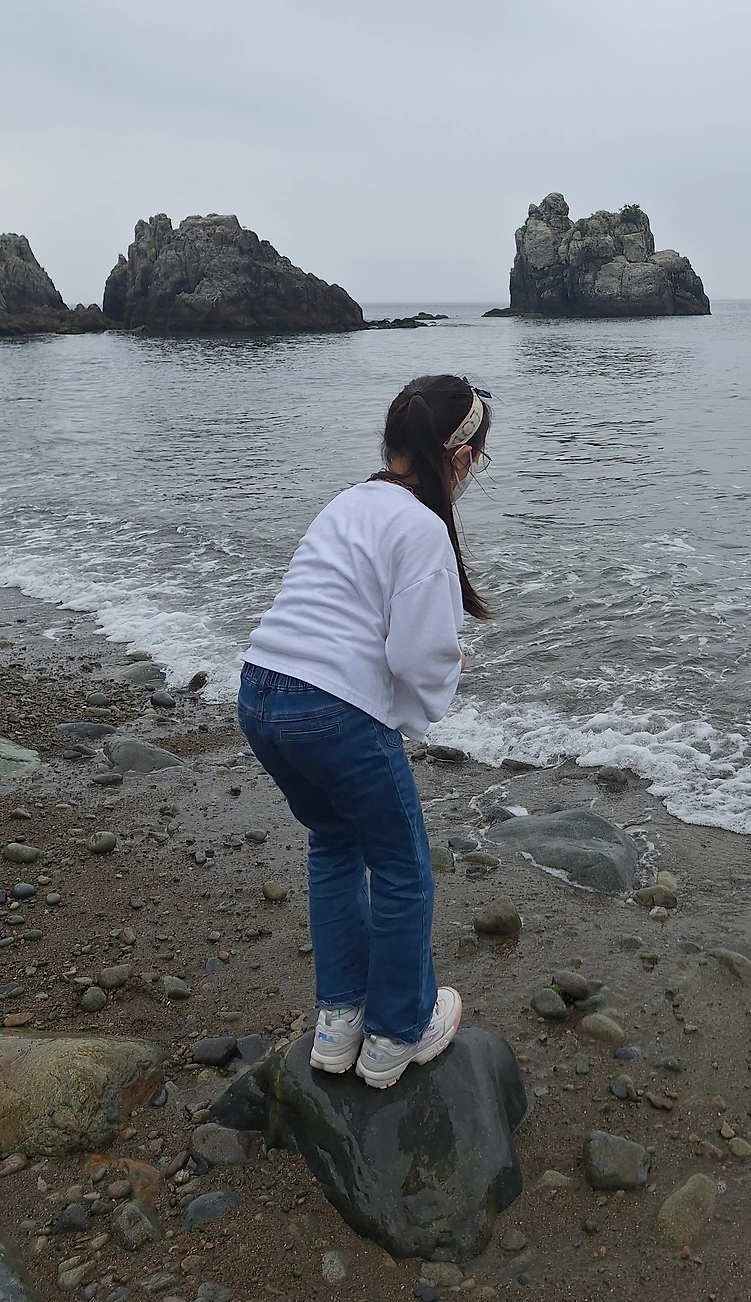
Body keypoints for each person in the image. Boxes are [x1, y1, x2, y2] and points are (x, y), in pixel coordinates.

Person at [237, 373, 492, 1088]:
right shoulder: (423, 527)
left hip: (259, 691)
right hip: (331, 711)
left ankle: (338, 1022)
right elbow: (418, 658)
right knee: (404, 867)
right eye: (478, 459)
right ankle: (396, 1033)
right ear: (460, 456)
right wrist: (436, 686)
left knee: (334, 845)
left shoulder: (348, 502)